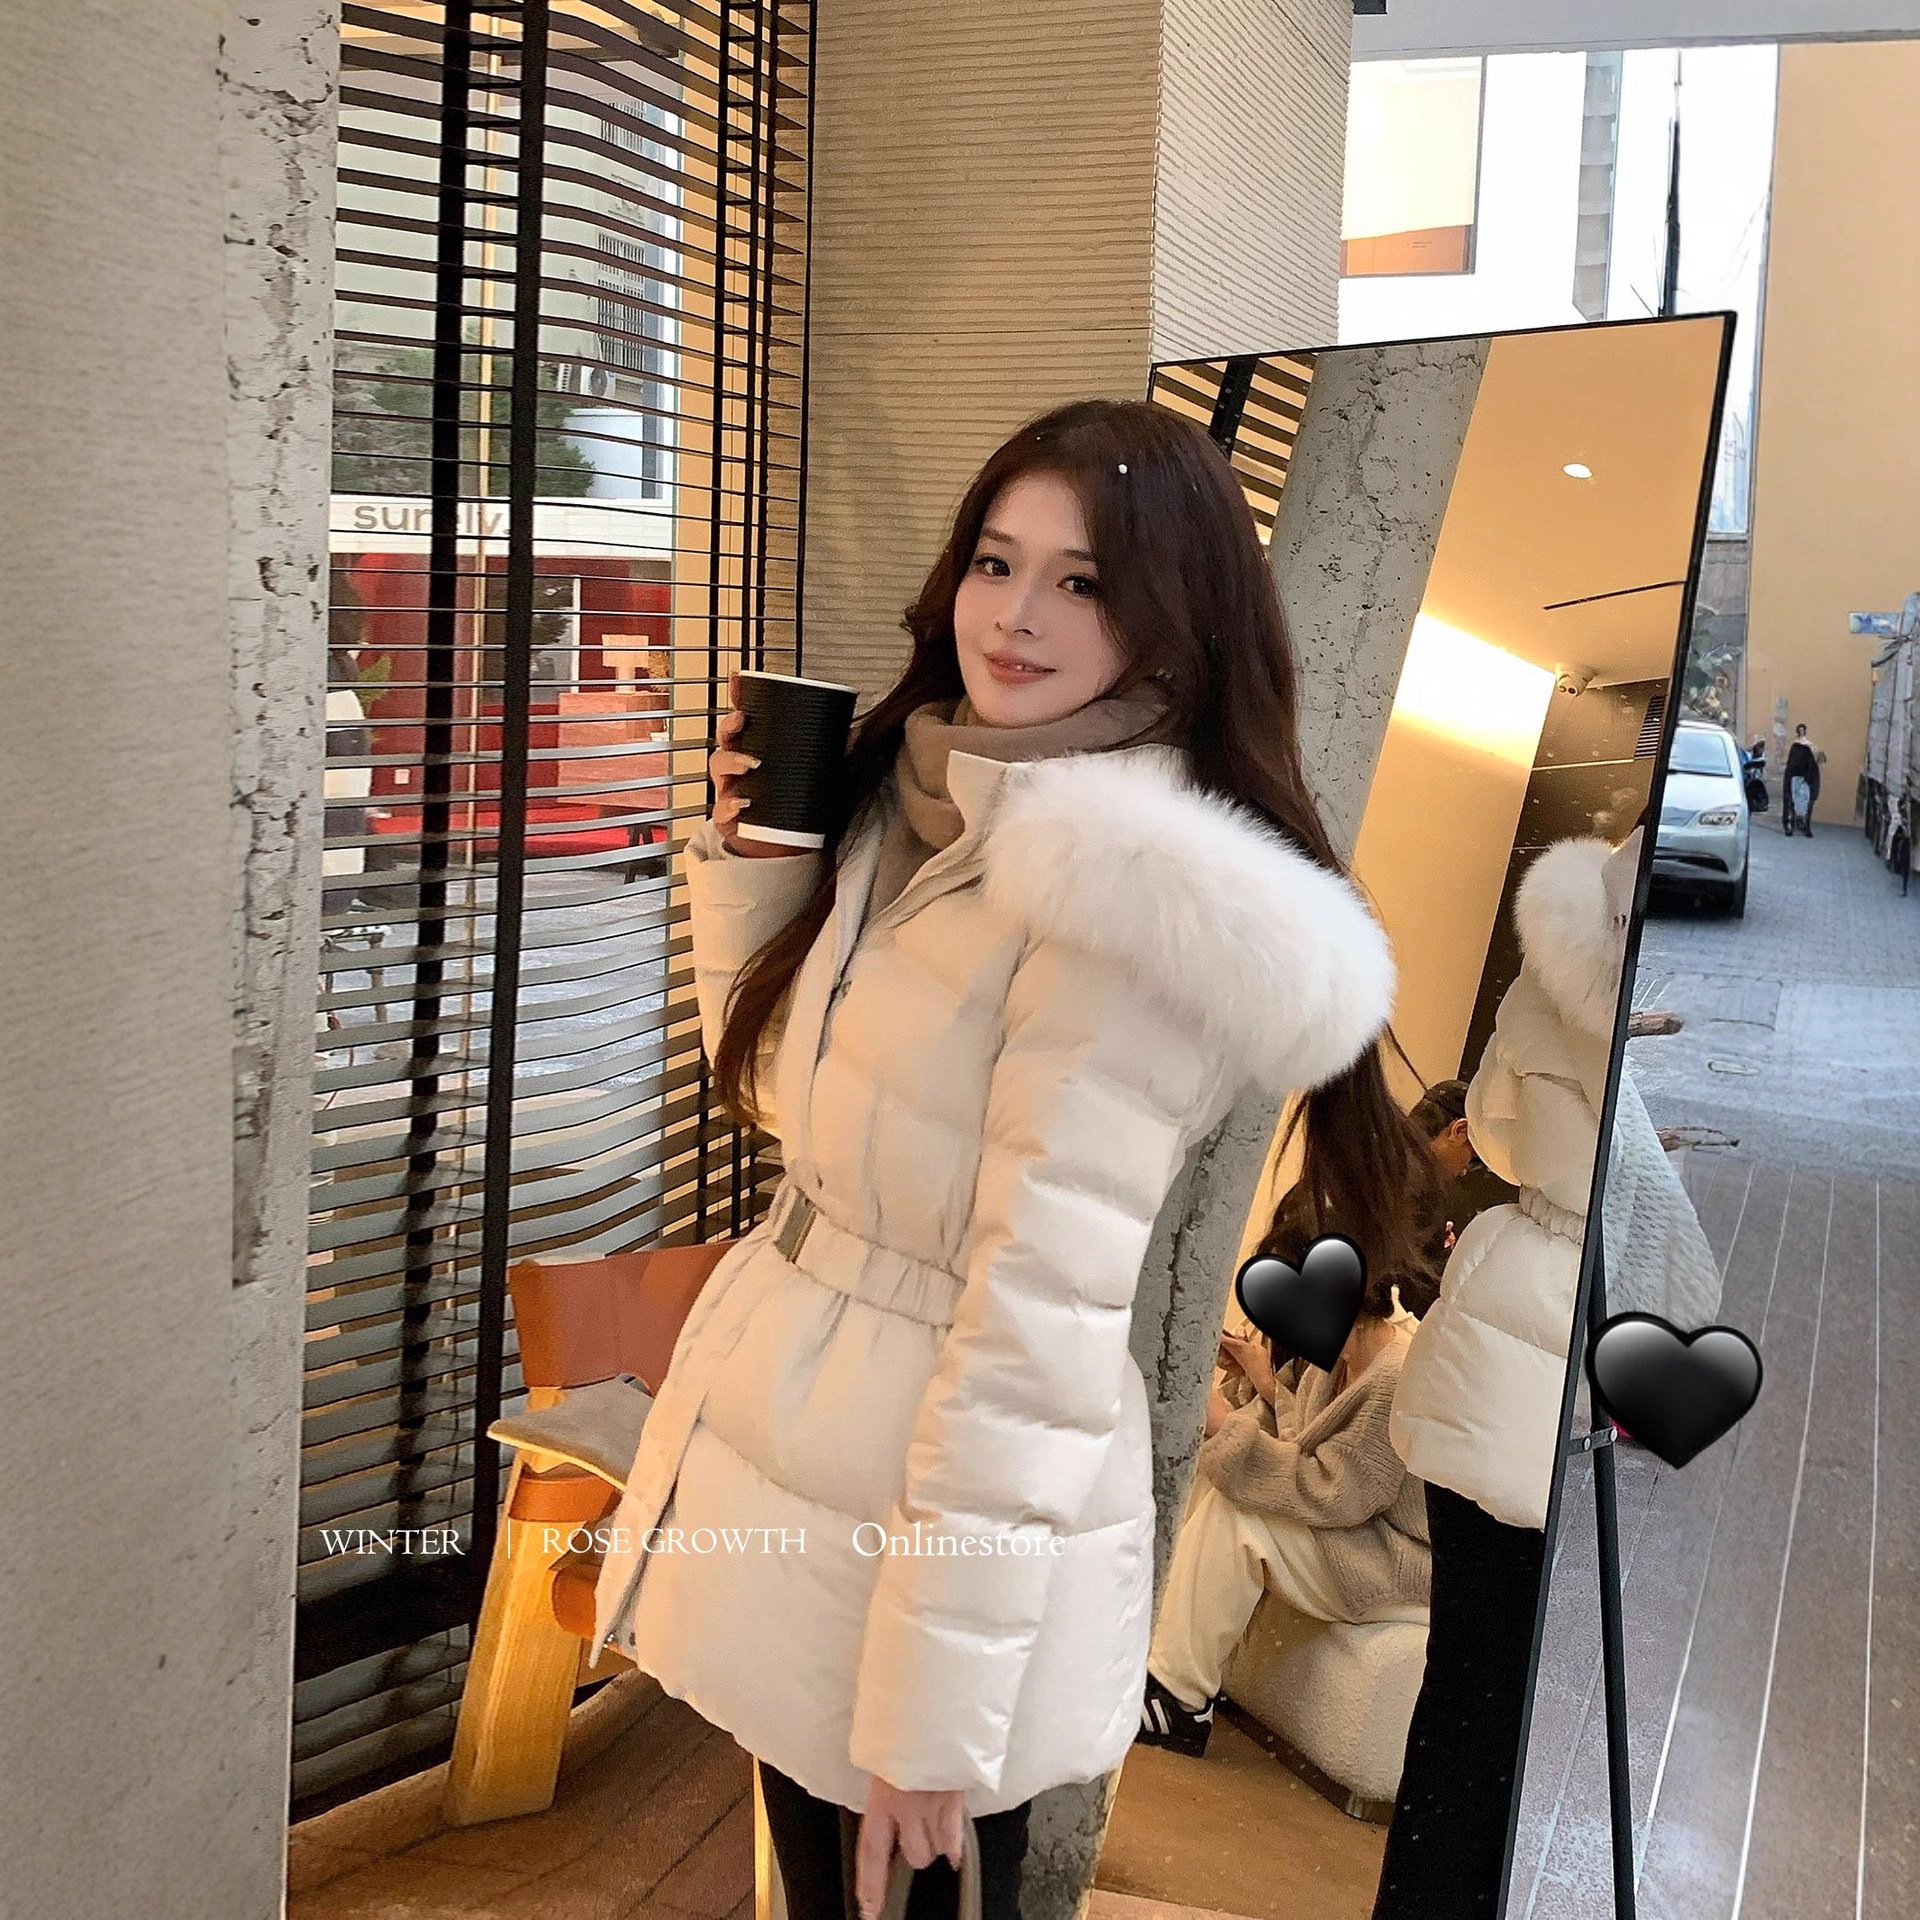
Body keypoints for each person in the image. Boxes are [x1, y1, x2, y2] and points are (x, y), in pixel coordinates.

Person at [587, 399, 1428, 1920]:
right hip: (825, 1500)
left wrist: (931, 1721)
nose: (1016, 614)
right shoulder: (925, 807)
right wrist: (757, 872)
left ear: (1174, 622)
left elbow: (1035, 1335)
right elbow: (792, 1112)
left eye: (1081, 581)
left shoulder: (1118, 901)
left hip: (931, 1559)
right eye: (995, 560)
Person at [1373, 830, 1639, 1919]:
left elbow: (1491, 1126)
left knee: (1466, 1703)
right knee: (1546, 1732)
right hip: (1588, 1348)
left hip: (1495, 1352)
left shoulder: (1565, 948)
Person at [1134, 1083, 1472, 1757]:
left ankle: (1179, 1700)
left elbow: (1331, 1492)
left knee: (1241, 1517)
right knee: (1214, 1487)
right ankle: (1147, 1659)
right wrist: (1260, 1385)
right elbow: (1300, 1445)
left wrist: (1225, 1425)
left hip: (1396, 1563)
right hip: (1357, 1531)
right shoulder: (1336, 1351)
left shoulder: (1396, 1372)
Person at [1782, 722, 1826, 836]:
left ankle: (1805, 825)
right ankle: (1791, 824)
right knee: (1793, 799)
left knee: (1805, 801)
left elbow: (1816, 759)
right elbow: (1790, 762)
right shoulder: (1793, 745)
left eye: (1803, 730)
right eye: (1800, 730)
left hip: (1806, 777)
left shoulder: (1810, 745)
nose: (1801, 732)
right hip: (1794, 776)